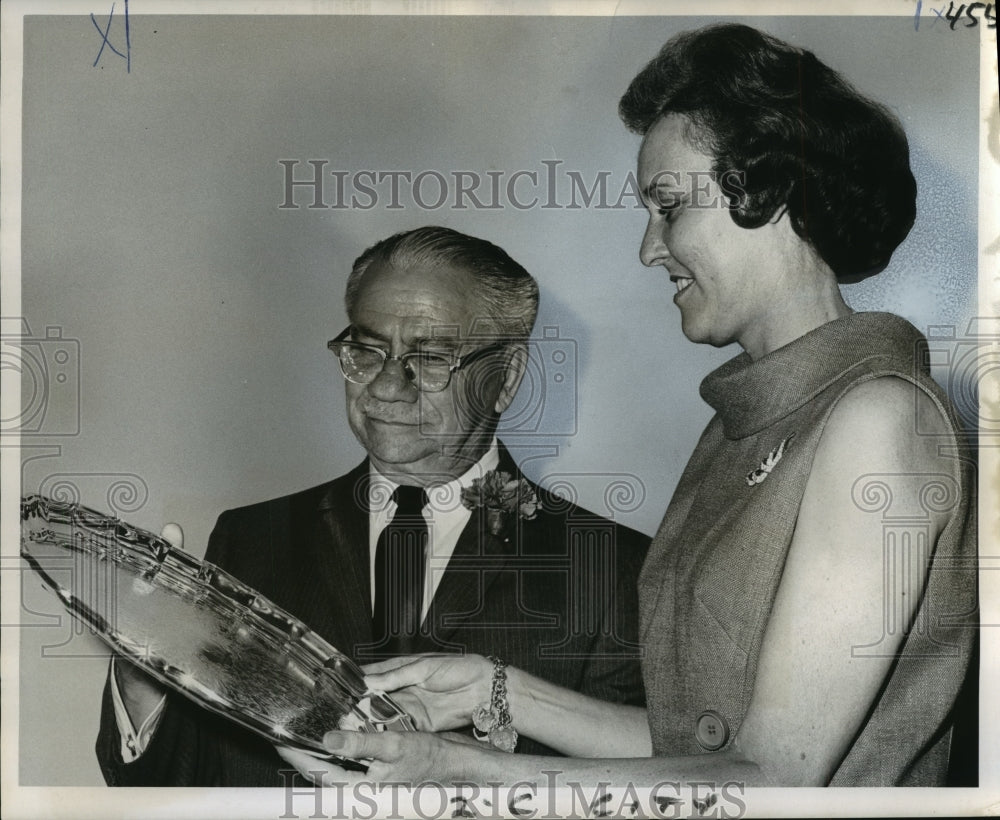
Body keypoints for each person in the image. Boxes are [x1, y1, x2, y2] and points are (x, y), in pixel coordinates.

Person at [279, 23, 978, 788]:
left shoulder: (877, 422)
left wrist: (451, 764)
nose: (650, 248)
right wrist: (495, 688)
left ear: (772, 194)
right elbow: (697, 745)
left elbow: (770, 782)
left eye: (670, 207)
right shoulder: (741, 430)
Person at [95, 226, 650, 786]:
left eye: (430, 358)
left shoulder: (614, 569)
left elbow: (645, 793)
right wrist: (143, 672)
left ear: (505, 379)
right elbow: (168, 790)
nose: (386, 386)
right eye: (366, 349)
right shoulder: (248, 540)